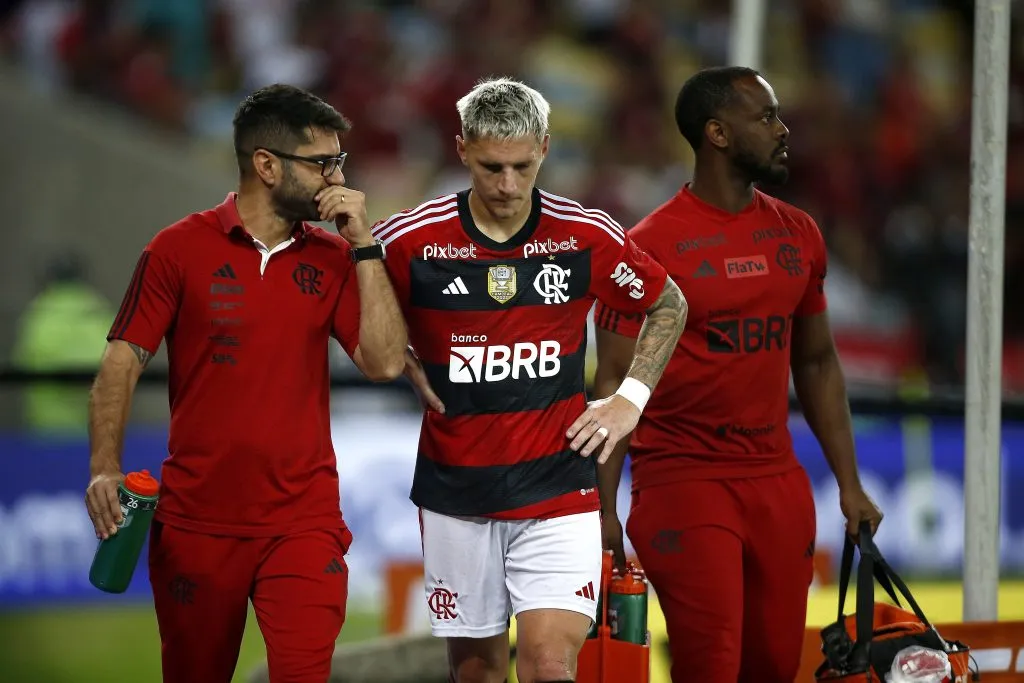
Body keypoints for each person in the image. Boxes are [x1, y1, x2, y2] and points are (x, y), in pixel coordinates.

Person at [84, 84, 407, 683]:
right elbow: (120, 364)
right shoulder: (176, 250)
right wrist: (105, 466)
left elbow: (386, 364)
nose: (339, 179)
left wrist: (365, 245)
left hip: (303, 524)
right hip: (196, 525)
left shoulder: (336, 259)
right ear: (266, 164)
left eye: (339, 161)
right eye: (322, 163)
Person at [377, 77, 687, 683]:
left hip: (559, 489)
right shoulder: (410, 239)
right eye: (492, 167)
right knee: (476, 673)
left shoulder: (585, 234)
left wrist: (630, 399)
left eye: (522, 166)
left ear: (544, 148)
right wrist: (395, 355)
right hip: (457, 494)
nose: (508, 186)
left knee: (551, 664)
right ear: (462, 148)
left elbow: (669, 303)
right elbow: (341, 301)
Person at [592, 66, 884, 683]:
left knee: (776, 668)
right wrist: (603, 510)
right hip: (683, 482)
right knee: (711, 667)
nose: (783, 130)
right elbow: (612, 384)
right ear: (717, 133)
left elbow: (817, 361)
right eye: (766, 117)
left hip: (778, 482)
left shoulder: (797, 232)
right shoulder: (647, 248)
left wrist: (849, 484)